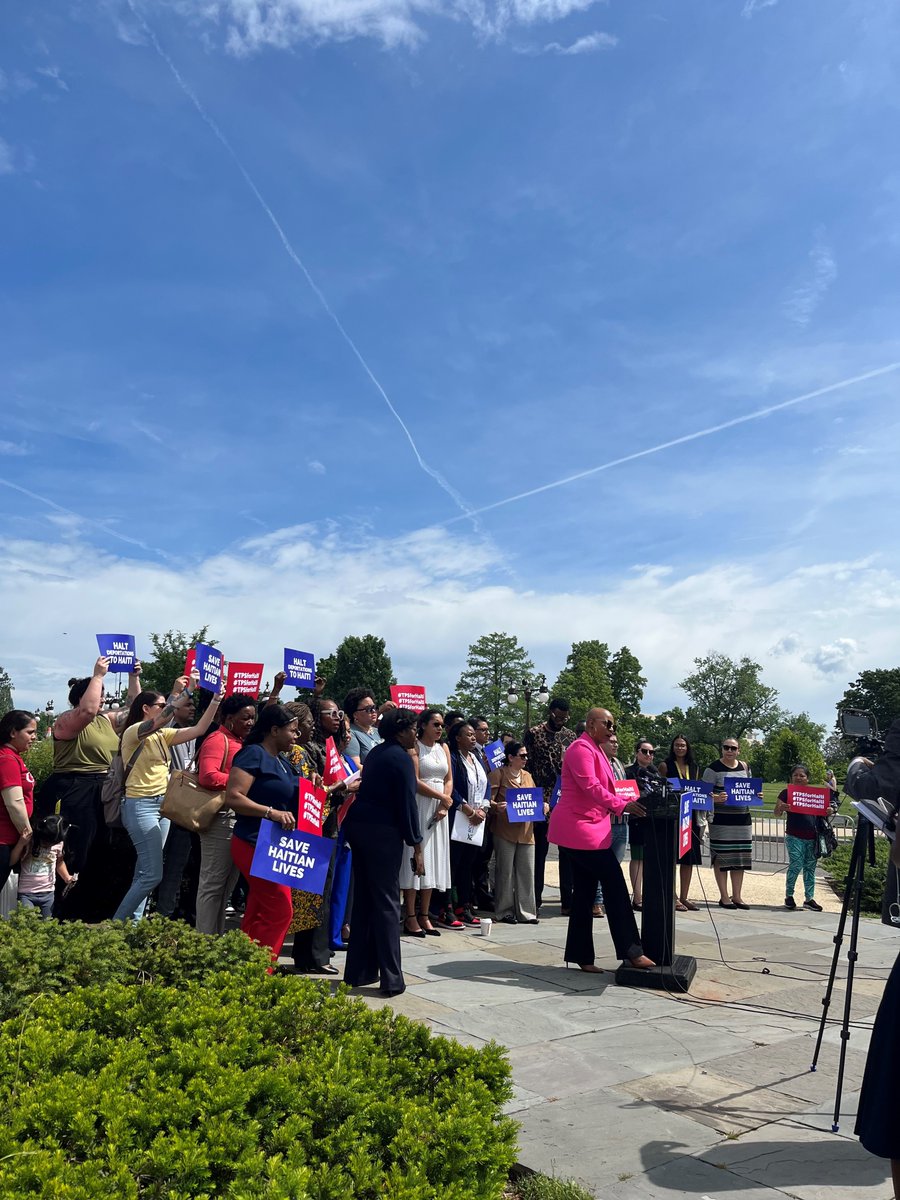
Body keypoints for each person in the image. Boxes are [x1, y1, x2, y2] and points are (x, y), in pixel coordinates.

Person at [549, 708, 653, 974]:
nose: (611, 728)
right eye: (606, 723)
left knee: (584, 893)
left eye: (613, 724)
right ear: (591, 724)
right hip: (578, 829)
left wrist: (629, 800)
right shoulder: (580, 748)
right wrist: (623, 806)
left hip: (592, 828)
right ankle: (631, 951)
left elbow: (607, 788)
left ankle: (580, 955)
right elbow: (592, 788)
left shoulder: (598, 750)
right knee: (615, 885)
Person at [113, 677, 221, 923]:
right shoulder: (133, 732)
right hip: (140, 805)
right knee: (152, 875)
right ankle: (117, 926)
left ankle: (134, 927)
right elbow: (162, 719)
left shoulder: (163, 736)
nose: (167, 709)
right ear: (145, 709)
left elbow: (199, 730)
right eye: (162, 705)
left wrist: (216, 699)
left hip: (162, 808)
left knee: (144, 872)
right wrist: (187, 691)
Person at [44, 656, 143, 920]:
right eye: (98, 693)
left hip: (104, 787)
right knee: (76, 847)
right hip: (76, 788)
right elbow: (86, 711)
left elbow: (137, 710)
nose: (102, 699)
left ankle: (92, 908)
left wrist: (134, 677)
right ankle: (63, 909)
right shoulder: (66, 721)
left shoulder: (106, 720)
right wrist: (98, 675)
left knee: (102, 848)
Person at [342, 707, 424, 997]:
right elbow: (407, 803)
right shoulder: (400, 758)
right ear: (401, 731)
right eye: (414, 728)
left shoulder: (377, 752)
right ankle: (392, 978)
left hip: (360, 829)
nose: (417, 733)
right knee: (389, 903)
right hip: (381, 834)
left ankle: (358, 971)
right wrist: (417, 846)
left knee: (366, 899)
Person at [226, 706, 300, 962]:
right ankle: (260, 971)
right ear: (274, 730)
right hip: (253, 842)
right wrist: (271, 813)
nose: (296, 735)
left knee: (259, 910)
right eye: (292, 730)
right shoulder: (252, 754)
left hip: (276, 846)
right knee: (280, 910)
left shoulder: (284, 762)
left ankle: (243, 966)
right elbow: (234, 797)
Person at [193, 693, 258, 935]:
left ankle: (215, 938)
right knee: (212, 885)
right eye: (245, 718)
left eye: (253, 718)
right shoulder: (218, 739)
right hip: (220, 818)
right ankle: (204, 940)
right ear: (229, 718)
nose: (250, 723)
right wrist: (241, 782)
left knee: (225, 887)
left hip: (235, 818)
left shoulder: (241, 742)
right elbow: (208, 776)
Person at [399, 709, 451, 937]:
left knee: (434, 859)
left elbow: (449, 779)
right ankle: (410, 915)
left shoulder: (444, 748)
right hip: (421, 805)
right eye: (435, 724)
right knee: (416, 857)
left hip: (440, 809)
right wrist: (441, 797)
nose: (440, 728)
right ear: (423, 725)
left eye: (442, 725)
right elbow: (415, 780)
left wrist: (445, 803)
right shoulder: (415, 748)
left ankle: (425, 914)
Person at [524, 698, 576, 912]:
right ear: (550, 712)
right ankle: (534, 899)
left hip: (564, 796)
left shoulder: (570, 736)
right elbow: (526, 763)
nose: (561, 721)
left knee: (567, 851)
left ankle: (567, 901)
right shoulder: (534, 733)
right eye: (558, 716)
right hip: (541, 795)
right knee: (540, 851)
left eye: (565, 718)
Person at [154, 689, 200, 921]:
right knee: (154, 863)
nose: (192, 708)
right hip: (162, 804)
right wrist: (182, 690)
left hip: (183, 806)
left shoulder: (191, 735)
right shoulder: (166, 730)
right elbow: (165, 714)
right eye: (188, 705)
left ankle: (165, 912)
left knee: (176, 863)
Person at [488, 741, 538, 924]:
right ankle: (504, 911)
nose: (526, 759)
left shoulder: (528, 776)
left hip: (526, 832)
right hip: (505, 831)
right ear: (510, 757)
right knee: (505, 872)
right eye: (522, 755)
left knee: (527, 872)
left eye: (526, 755)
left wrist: (544, 806)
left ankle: (527, 912)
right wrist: (496, 807)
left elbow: (535, 801)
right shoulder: (498, 774)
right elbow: (487, 801)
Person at [703, 737, 754, 910]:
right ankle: (724, 897)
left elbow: (749, 789)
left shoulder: (745, 767)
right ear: (722, 749)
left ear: (739, 750)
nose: (730, 751)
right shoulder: (712, 769)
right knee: (721, 857)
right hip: (721, 821)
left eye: (733, 748)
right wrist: (715, 799)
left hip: (742, 819)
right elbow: (702, 794)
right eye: (726, 747)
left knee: (740, 857)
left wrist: (757, 796)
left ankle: (737, 896)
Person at [447, 719, 489, 927]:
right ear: (457, 738)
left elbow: (486, 784)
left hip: (476, 818)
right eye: (469, 735)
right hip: (459, 816)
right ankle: (447, 906)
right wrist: (467, 808)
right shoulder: (454, 758)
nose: (473, 738)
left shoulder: (476, 757)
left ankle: (464, 904)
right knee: (454, 863)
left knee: (468, 864)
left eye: (474, 735)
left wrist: (483, 808)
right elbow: (451, 786)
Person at [660, 734, 703, 911]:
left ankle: (685, 896)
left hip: (690, 817)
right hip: (672, 817)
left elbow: (699, 789)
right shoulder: (665, 765)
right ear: (673, 747)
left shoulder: (694, 767)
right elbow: (661, 787)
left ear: (687, 748)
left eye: (683, 745)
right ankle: (673, 895)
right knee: (672, 859)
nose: (680, 748)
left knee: (688, 859)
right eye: (677, 745)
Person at [773, 763, 823, 912]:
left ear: (807, 778)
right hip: (794, 835)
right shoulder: (786, 793)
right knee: (796, 865)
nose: (799, 777)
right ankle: (789, 895)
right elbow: (776, 813)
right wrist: (781, 808)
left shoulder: (815, 794)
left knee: (810, 868)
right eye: (796, 775)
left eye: (802, 775)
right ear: (791, 777)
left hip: (812, 837)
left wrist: (829, 810)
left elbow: (825, 811)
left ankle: (809, 898)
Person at [0, 710, 38, 892]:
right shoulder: (7, 759)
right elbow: (14, 803)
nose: (34, 737)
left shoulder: (13, 757)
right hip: (3, 839)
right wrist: (28, 835)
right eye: (30, 732)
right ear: (13, 732)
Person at [12, 814, 74, 917]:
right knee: (28, 924)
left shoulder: (58, 844)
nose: (49, 845)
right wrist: (21, 843)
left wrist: (66, 877)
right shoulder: (30, 842)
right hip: (27, 893)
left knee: (47, 925)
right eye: (46, 842)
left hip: (48, 893)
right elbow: (12, 860)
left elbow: (59, 863)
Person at [625, 739, 656, 911]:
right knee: (638, 858)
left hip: (654, 820)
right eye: (644, 751)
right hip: (637, 820)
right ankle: (637, 897)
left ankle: (648, 895)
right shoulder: (629, 772)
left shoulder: (654, 772)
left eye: (651, 752)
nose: (648, 755)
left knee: (649, 859)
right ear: (637, 752)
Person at [470, 716, 496, 910]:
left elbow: (487, 782)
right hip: (470, 811)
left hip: (485, 810)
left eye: (488, 730)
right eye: (483, 730)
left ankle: (482, 895)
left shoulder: (488, 754)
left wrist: (486, 804)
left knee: (484, 856)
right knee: (473, 858)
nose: (487, 734)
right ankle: (471, 897)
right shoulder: (470, 754)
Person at [345, 689, 381, 767]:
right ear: (355, 715)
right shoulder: (351, 733)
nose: (374, 711)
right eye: (368, 709)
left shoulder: (379, 731)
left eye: (374, 707)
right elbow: (355, 765)